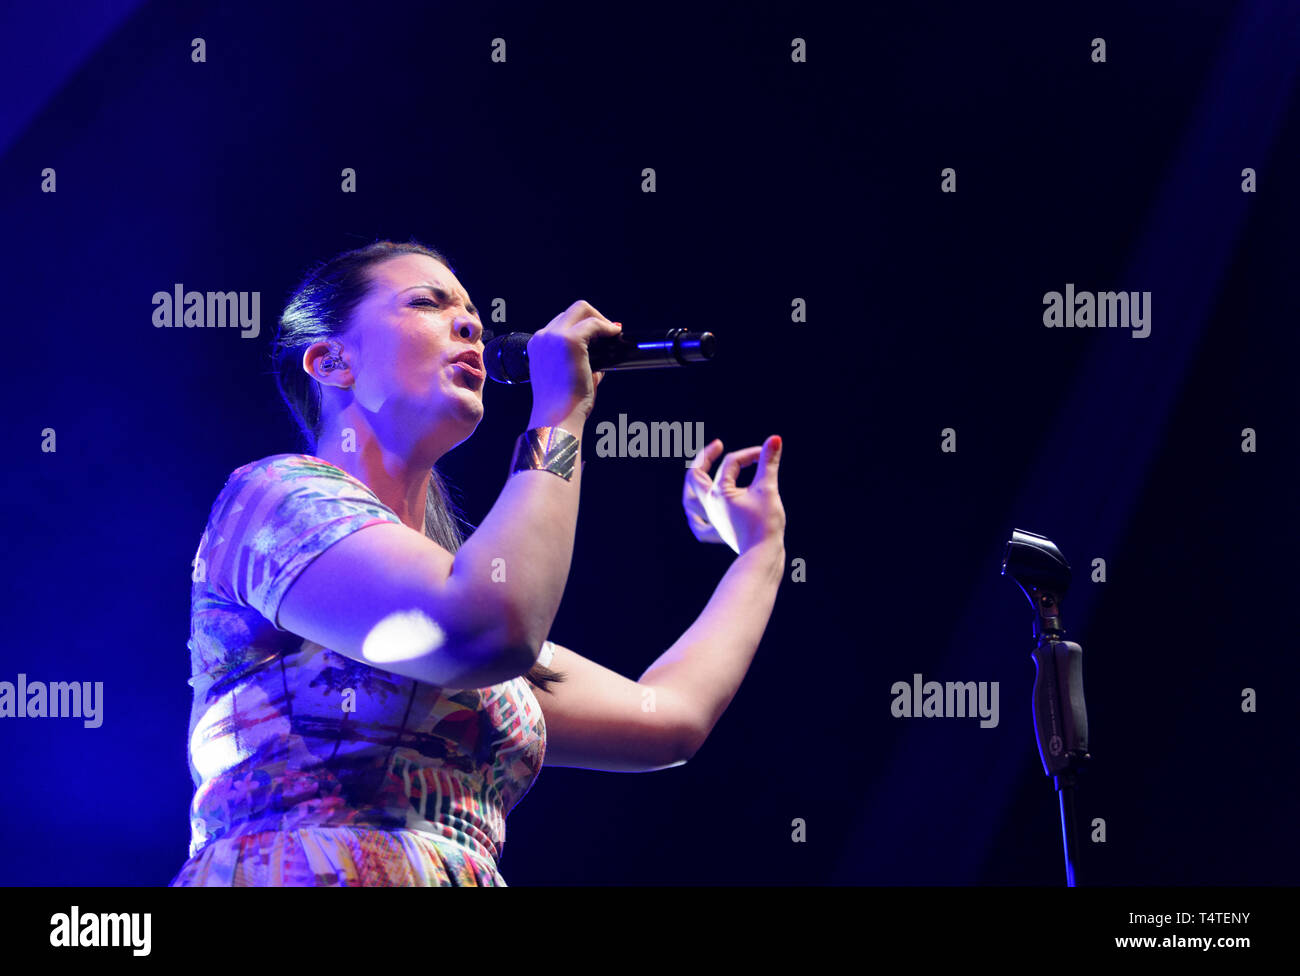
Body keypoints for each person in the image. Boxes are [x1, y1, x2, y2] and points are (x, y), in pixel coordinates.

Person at [169, 239, 786, 886]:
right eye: (426, 303)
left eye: (471, 313)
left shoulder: (461, 587)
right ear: (331, 361)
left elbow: (669, 722)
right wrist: (559, 417)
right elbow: (490, 629)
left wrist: (760, 553)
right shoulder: (273, 498)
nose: (469, 323)